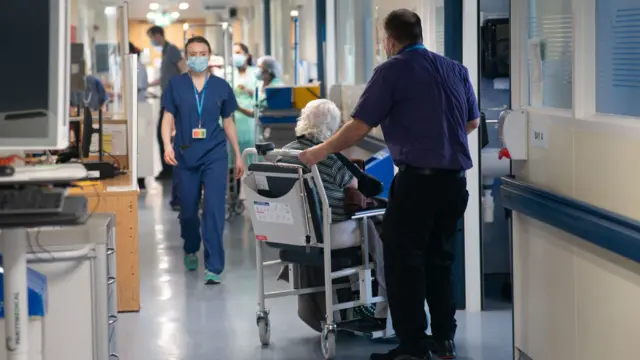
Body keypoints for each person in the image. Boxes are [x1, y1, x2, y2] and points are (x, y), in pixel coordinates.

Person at [298, 9, 479, 360]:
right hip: (454, 183)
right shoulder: (456, 69)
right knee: (441, 261)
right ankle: (443, 339)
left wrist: (319, 151)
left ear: (390, 40)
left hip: (418, 183)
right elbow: (471, 122)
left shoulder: (392, 71)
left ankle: (412, 344)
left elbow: (359, 126)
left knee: (403, 262)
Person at [160, 36, 243, 285]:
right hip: (185, 152)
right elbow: (167, 117)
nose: (197, 57)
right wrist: (166, 145)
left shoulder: (221, 86)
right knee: (188, 210)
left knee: (214, 209)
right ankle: (191, 246)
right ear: (186, 57)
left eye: (202, 52)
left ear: (209, 55)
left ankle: (214, 266)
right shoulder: (176, 85)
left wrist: (238, 154)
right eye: (193, 53)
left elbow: (228, 122)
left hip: (215, 153)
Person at [148, 25, 188, 210]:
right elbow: (167, 75)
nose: (152, 41)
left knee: (167, 136)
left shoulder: (171, 50)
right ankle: (167, 170)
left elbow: (183, 69)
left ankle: (170, 171)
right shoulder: (165, 52)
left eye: (152, 38)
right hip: (166, 99)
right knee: (161, 135)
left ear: (158, 35)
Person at [129, 42, 156, 191]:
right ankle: (138, 177)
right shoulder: (135, 66)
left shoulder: (137, 67)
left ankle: (140, 179)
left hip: (139, 109)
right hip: (137, 109)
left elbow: (137, 87)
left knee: (140, 146)